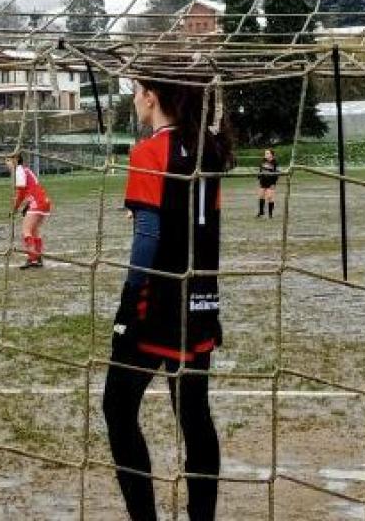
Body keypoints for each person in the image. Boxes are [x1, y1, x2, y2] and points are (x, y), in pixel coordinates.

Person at [106, 78, 224, 521]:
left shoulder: (148, 152)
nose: (134, 99)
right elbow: (212, 227)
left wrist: (127, 305)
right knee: (194, 417)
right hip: (200, 302)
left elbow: (148, 237)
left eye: (136, 90)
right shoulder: (207, 148)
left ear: (151, 96)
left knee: (117, 409)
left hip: (155, 305)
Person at [5, 150, 51, 269]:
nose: (6, 164)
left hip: (37, 202)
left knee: (26, 230)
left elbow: (20, 194)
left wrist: (14, 209)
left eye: (8, 160)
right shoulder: (25, 170)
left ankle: (32, 258)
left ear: (16, 160)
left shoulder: (19, 171)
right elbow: (30, 190)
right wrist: (26, 206)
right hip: (44, 201)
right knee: (34, 230)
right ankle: (38, 258)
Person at [255, 147, 280, 219]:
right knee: (261, 196)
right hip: (263, 181)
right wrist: (259, 177)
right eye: (265, 153)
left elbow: (277, 174)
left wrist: (273, 183)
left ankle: (270, 214)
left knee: (269, 197)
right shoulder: (263, 161)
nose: (266, 154)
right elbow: (260, 171)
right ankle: (261, 212)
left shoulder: (275, 162)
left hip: (271, 182)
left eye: (267, 153)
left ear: (271, 155)